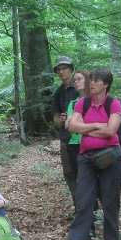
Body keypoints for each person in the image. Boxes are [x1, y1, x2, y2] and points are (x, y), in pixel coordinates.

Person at [55, 68, 121, 240]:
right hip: (86, 159)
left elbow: (112, 130)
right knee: (83, 203)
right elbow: (72, 127)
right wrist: (97, 127)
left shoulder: (114, 103)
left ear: (106, 85)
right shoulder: (82, 103)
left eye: (96, 81)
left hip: (110, 160)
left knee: (110, 204)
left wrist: (86, 129)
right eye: (91, 80)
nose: (91, 83)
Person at [51, 56, 80, 212]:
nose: (62, 72)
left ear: (71, 69)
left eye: (65, 68)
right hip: (66, 138)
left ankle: (90, 210)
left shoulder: (81, 88)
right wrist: (61, 119)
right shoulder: (58, 93)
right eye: (59, 69)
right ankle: (79, 209)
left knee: (85, 174)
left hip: (83, 138)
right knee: (69, 174)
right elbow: (55, 118)